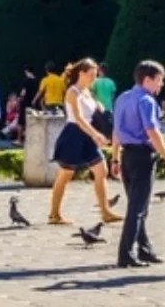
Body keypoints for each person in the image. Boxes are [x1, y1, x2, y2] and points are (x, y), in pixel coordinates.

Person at [111, 61, 165, 269]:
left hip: (127, 156)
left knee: (136, 205)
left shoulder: (122, 97)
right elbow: (152, 131)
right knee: (138, 208)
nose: (161, 84)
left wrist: (115, 157)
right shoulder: (147, 101)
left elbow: (116, 131)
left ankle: (145, 249)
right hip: (142, 156)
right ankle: (126, 253)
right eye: (159, 80)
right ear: (147, 80)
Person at [48, 59, 120, 226]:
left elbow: (94, 112)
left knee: (101, 170)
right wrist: (96, 135)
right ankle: (54, 214)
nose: (94, 78)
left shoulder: (88, 91)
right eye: (91, 75)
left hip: (87, 134)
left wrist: (100, 110)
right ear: (81, 73)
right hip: (74, 134)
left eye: (95, 75)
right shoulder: (72, 92)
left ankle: (106, 212)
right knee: (66, 174)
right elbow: (79, 119)